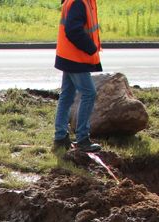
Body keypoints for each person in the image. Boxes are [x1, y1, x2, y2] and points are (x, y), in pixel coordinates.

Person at [53, 0, 103, 152]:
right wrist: (90, 47)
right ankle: (82, 139)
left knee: (67, 96)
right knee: (89, 93)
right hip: (76, 58)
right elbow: (73, 30)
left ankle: (60, 137)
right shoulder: (80, 2)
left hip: (69, 56)